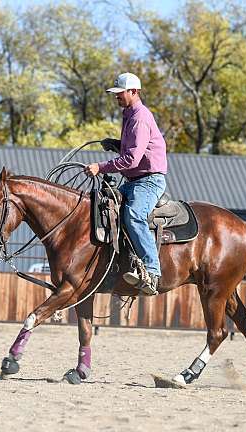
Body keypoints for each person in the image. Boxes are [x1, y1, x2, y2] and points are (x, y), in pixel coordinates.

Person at [85, 72, 167, 295]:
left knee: (133, 215)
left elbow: (132, 159)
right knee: (105, 207)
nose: (116, 97)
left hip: (148, 181)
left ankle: (152, 271)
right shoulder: (129, 114)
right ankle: (120, 263)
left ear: (134, 92)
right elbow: (132, 148)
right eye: (116, 94)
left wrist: (100, 167)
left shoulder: (139, 117)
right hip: (134, 180)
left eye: (120, 93)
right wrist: (116, 144)